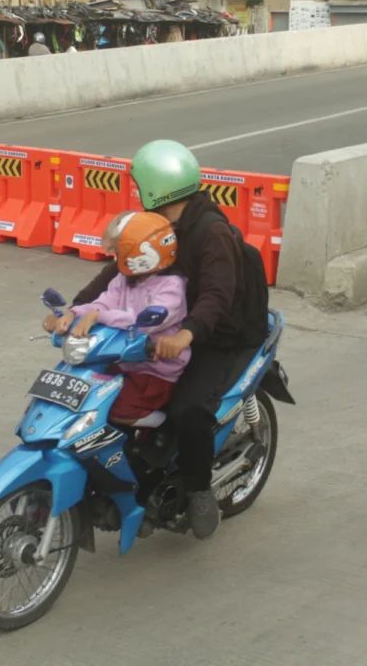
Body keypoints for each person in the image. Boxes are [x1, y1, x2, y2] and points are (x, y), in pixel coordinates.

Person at [68, 139, 257, 540]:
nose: (136, 192)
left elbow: (217, 297)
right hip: (161, 333)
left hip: (215, 336)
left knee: (188, 410)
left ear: (156, 185)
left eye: (139, 185)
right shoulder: (155, 225)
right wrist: (75, 310)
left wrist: (188, 333)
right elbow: (117, 273)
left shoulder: (211, 233)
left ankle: (200, 488)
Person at [46, 211, 190, 423]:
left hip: (155, 370)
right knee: (86, 399)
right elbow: (105, 301)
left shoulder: (171, 287)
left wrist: (98, 315)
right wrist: (74, 313)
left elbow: (141, 322)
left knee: (117, 412)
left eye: (121, 251)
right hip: (122, 362)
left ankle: (164, 432)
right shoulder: (124, 279)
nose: (116, 257)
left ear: (143, 253)